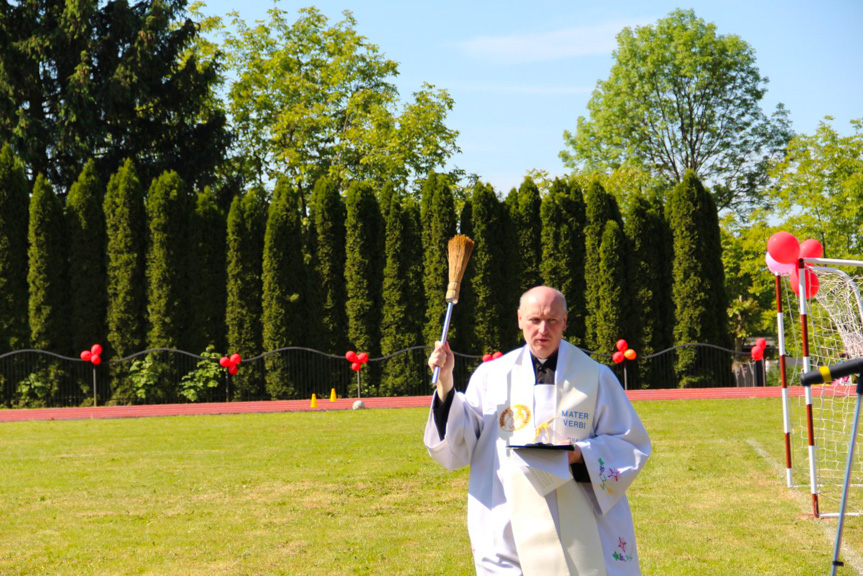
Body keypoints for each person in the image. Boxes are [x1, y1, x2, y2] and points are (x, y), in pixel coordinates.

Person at [424, 286, 651, 576]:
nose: (543, 329)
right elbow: (460, 443)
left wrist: (582, 455)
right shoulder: (491, 376)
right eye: (534, 320)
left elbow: (630, 444)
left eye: (552, 320)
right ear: (519, 319)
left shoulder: (596, 378)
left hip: (579, 517)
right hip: (507, 515)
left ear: (565, 322)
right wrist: (445, 382)